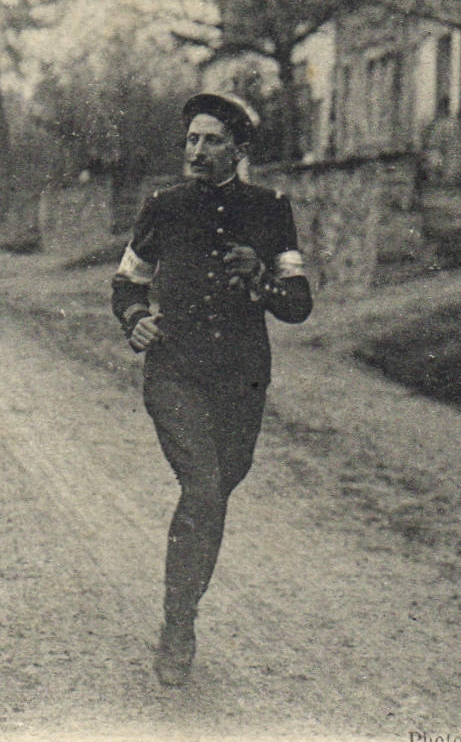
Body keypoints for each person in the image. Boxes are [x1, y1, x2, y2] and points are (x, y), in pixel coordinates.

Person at [111, 93, 313, 687]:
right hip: (174, 372)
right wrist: (135, 318)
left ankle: (182, 612)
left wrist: (261, 277)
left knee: (214, 494)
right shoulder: (163, 207)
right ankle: (178, 627)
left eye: (213, 141)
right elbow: (127, 282)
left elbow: (298, 304)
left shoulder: (270, 209)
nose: (197, 151)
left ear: (239, 150)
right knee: (202, 489)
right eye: (192, 140)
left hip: (241, 380)